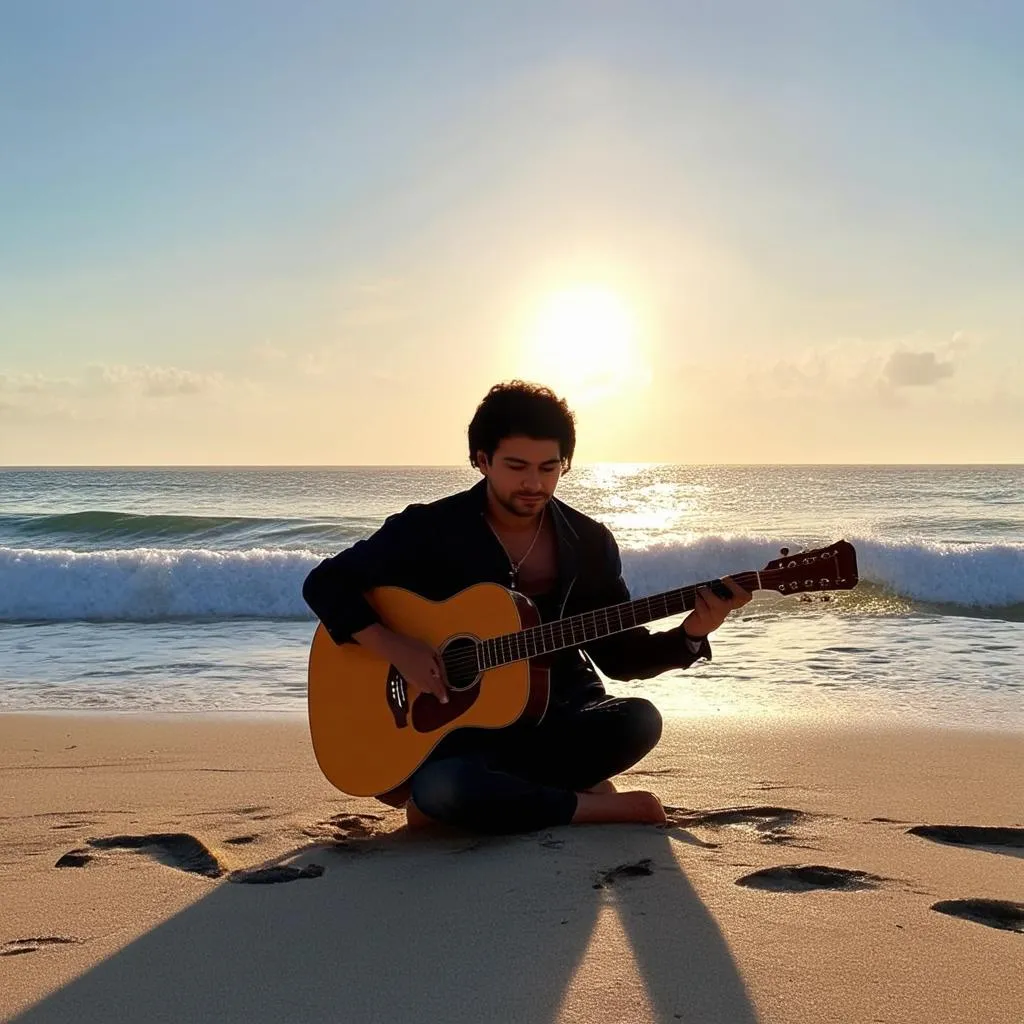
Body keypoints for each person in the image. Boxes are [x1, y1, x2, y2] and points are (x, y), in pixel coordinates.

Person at [302, 381, 749, 834]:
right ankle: (595, 806)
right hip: (459, 730)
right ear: (482, 460)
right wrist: (398, 649)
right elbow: (325, 583)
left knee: (640, 720)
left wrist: (692, 633)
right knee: (446, 786)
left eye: (549, 468)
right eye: (516, 466)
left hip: (555, 714)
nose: (534, 483)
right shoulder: (429, 529)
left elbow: (620, 658)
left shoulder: (588, 542)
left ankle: (497, 798)